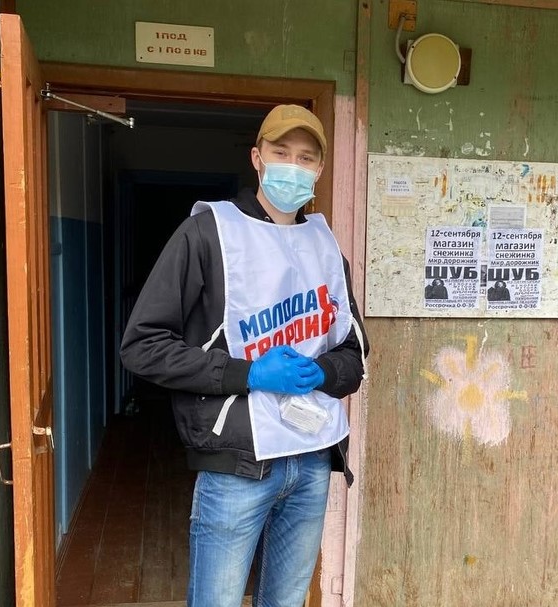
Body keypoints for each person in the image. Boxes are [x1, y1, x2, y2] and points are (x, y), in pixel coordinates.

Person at [120, 104, 369, 607]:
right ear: (257, 158)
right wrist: (249, 373)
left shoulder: (326, 248)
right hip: (237, 466)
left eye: (306, 158)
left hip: (311, 460)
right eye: (281, 152)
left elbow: (355, 353)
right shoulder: (208, 233)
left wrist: (322, 370)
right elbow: (143, 346)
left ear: (320, 170)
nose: (293, 167)